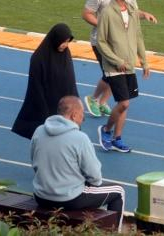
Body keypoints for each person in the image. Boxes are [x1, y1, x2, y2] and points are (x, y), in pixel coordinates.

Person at [31, 96, 125, 232]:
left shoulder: (39, 130)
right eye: (82, 115)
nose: (83, 119)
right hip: (70, 198)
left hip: (41, 196)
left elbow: (34, 163)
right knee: (119, 191)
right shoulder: (80, 138)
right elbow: (95, 177)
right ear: (74, 115)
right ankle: (115, 234)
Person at [82, 0, 157, 119]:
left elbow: (133, 12)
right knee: (111, 73)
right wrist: (107, 26)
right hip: (102, 41)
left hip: (122, 42)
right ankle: (94, 98)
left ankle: (102, 102)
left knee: (118, 73)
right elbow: (87, 14)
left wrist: (145, 15)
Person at [95, 0, 151, 153]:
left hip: (129, 65)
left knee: (125, 103)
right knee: (124, 103)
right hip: (114, 67)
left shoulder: (133, 10)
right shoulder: (107, 12)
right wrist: (116, 60)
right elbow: (101, 41)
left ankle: (117, 138)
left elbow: (138, 36)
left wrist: (144, 61)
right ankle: (105, 129)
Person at [12, 24, 78, 139]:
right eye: (63, 41)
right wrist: (44, 113)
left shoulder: (65, 54)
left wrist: (76, 103)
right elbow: (35, 88)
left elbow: (71, 80)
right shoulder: (38, 59)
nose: (65, 45)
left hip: (63, 107)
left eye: (68, 42)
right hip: (46, 107)